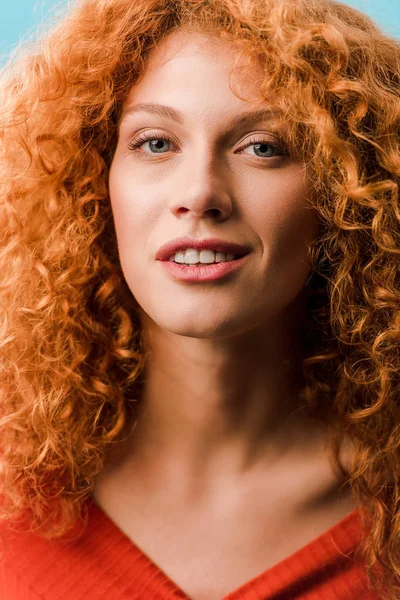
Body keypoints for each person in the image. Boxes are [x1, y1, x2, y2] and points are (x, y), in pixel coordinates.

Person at [0, 0, 398, 598]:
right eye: (156, 143)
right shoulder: (14, 494)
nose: (200, 194)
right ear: (91, 180)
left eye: (263, 147)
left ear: (347, 193)